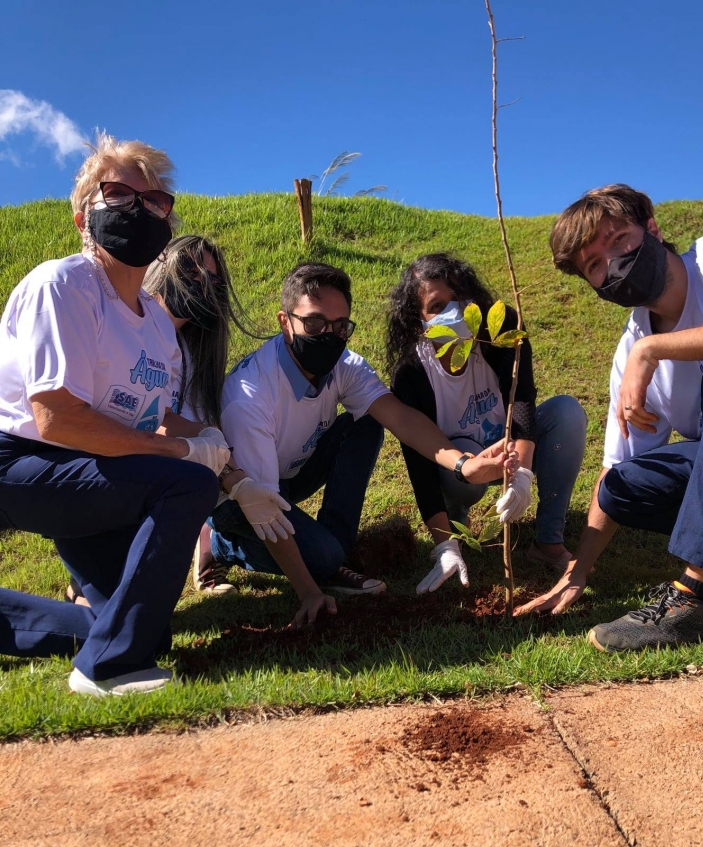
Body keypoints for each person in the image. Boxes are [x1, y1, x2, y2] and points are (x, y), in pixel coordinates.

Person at [516, 184, 703, 651]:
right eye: (593, 265)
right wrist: (577, 571)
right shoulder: (629, 349)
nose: (611, 263)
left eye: (618, 239)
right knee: (624, 487)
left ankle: (702, 598)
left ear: (651, 228)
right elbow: (614, 471)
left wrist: (656, 349)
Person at [0, 134, 230, 696]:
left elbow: (156, 417)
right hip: (18, 461)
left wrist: (207, 437)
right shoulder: (64, 285)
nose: (140, 209)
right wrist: (182, 454)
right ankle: (106, 670)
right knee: (183, 484)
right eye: (117, 195)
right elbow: (57, 418)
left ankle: (112, 644)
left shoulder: (155, 322)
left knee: (141, 627)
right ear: (83, 217)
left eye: (154, 201)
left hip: (82, 470)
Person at [198, 261, 518, 627]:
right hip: (243, 496)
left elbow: (401, 418)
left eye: (340, 327)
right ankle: (218, 541)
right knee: (319, 561)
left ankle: (336, 551)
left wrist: (465, 464)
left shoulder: (343, 365)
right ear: (285, 321)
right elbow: (265, 508)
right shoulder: (250, 397)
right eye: (315, 323)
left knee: (364, 423)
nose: (329, 335)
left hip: (290, 473)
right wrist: (309, 591)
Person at [388, 253, 587, 593]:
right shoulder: (412, 374)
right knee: (463, 459)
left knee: (566, 413)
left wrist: (521, 474)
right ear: (417, 321)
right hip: (461, 468)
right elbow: (419, 460)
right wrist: (443, 544)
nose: (452, 312)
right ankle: (456, 529)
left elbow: (521, 398)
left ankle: (548, 541)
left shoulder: (501, 330)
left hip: (510, 448)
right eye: (436, 306)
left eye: (459, 299)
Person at [144, 234, 264, 596]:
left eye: (211, 280)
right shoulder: (132, 327)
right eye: (189, 270)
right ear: (162, 263)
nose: (198, 283)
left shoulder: (191, 351)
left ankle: (206, 552)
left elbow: (192, 428)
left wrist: (232, 473)